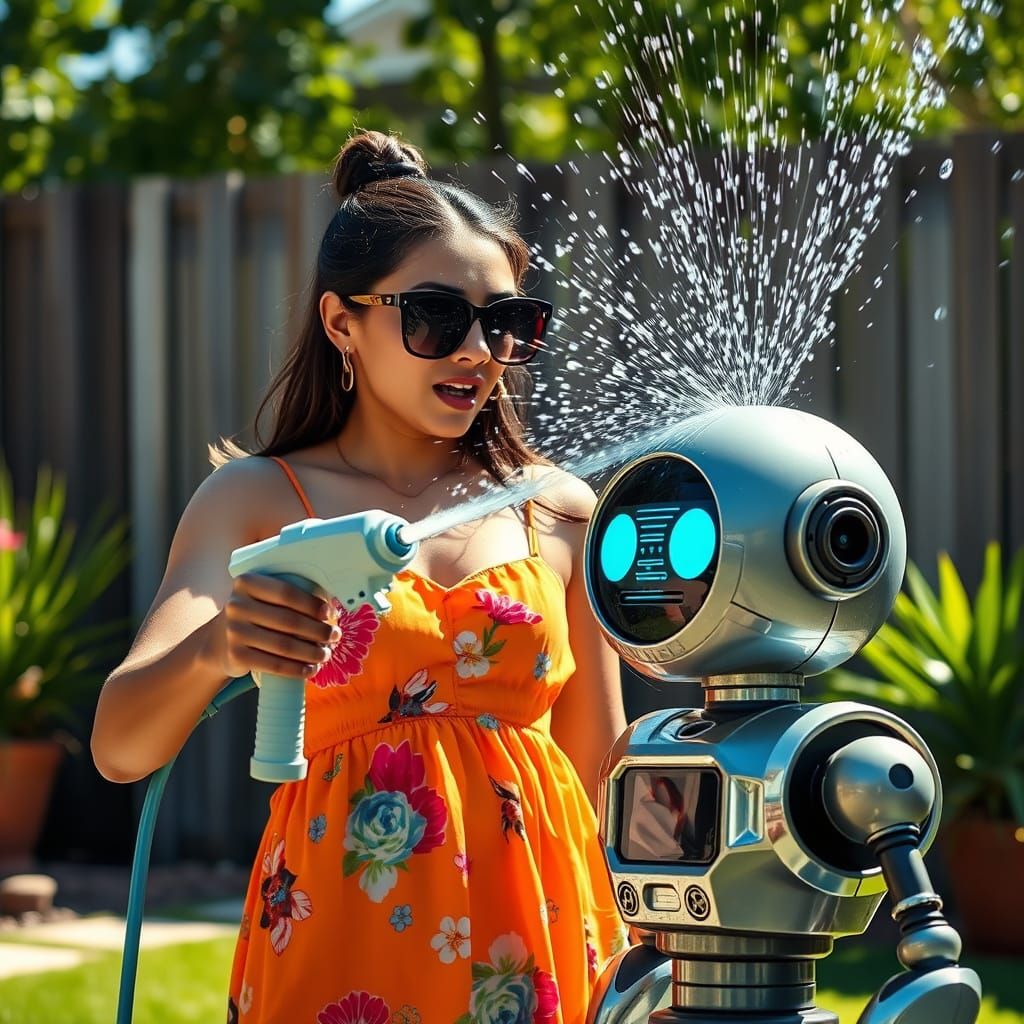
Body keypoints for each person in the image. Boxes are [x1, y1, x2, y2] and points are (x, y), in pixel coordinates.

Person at [92, 129, 628, 1024]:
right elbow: (120, 747)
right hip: (343, 938)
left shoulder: (559, 509)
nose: (476, 351)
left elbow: (600, 768)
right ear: (342, 322)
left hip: (539, 933)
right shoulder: (260, 497)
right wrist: (214, 651)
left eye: (506, 322)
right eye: (433, 316)